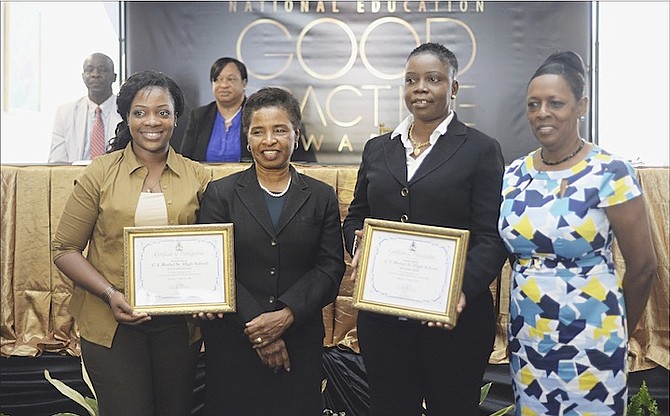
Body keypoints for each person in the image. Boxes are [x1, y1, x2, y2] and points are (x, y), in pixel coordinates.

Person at [342, 42, 508, 415]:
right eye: (411, 80)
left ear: (453, 88)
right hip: (384, 320)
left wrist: (460, 289)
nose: (420, 88)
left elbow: (491, 236)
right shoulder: (377, 148)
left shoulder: (481, 149)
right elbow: (356, 215)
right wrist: (359, 247)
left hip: (455, 322)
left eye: (433, 79)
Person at [498, 51, 656, 415]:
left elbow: (644, 266)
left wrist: (616, 332)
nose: (543, 113)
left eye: (556, 103)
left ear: (581, 105)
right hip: (530, 337)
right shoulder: (514, 173)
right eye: (533, 104)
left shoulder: (609, 171)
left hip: (593, 339)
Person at [52, 70, 211, 416]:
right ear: (126, 117)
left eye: (163, 112)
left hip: (178, 326)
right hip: (111, 323)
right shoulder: (100, 172)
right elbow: (64, 249)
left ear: (176, 117)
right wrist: (111, 295)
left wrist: (211, 293)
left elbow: (212, 251)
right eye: (140, 112)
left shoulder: (198, 176)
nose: (151, 122)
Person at [196, 86, 344, 415]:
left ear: (296, 133)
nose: (269, 141)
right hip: (234, 341)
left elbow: (330, 268)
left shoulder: (321, 196)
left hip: (300, 340)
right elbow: (215, 269)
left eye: (280, 130)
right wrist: (261, 331)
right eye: (258, 131)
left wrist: (286, 316)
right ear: (247, 138)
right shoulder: (221, 194)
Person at [178, 56, 316, 162]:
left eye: (230, 79)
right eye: (217, 80)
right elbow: (184, 159)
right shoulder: (199, 115)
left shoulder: (256, 113)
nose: (223, 85)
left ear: (244, 83)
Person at [48, 52, 123, 163]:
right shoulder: (65, 113)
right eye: (89, 70)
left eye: (102, 69)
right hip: (75, 177)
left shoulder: (126, 110)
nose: (95, 74)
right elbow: (57, 162)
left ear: (114, 77)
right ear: (83, 76)